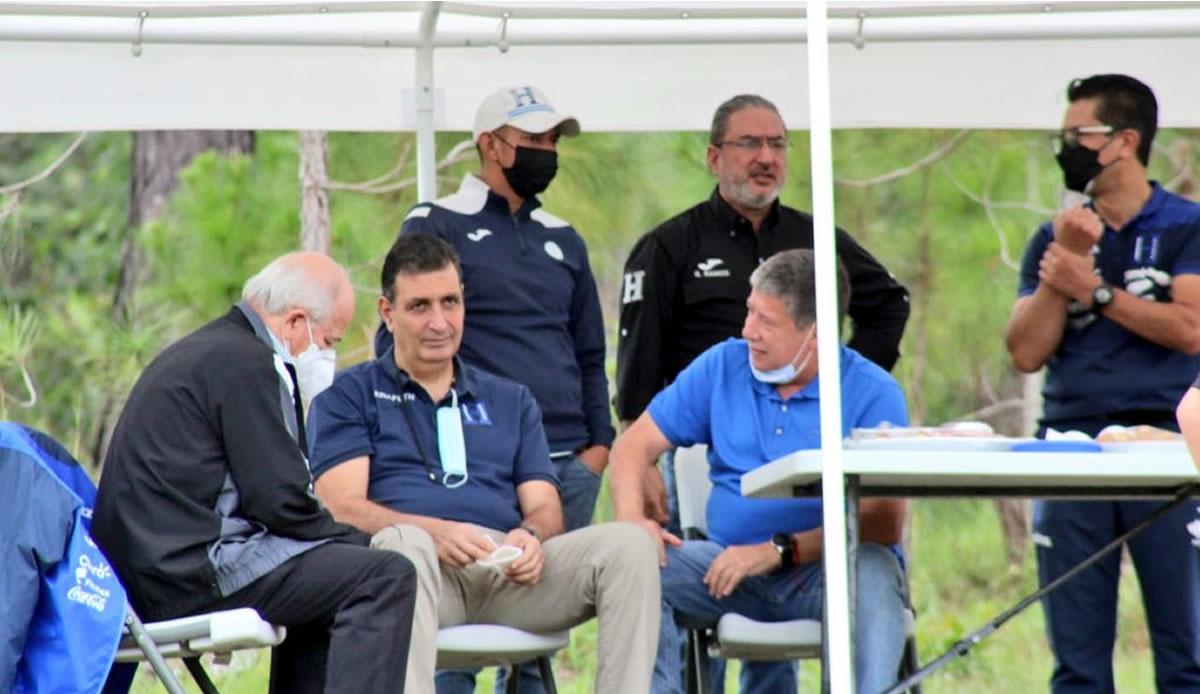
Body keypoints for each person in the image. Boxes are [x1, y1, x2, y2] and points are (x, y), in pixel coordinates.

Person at [310, 235, 660, 694]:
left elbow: (544, 507)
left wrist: (530, 537)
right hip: (415, 576)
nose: (439, 322)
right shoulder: (349, 395)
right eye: (419, 306)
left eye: (450, 302)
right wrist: (436, 534)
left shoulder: (509, 398)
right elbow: (342, 508)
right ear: (387, 313)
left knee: (630, 545)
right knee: (403, 547)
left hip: (505, 573)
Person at [92, 252, 418, 694]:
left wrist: (338, 545)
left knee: (336, 578)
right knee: (384, 576)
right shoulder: (247, 362)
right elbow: (279, 500)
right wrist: (353, 538)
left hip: (150, 569)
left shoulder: (215, 350)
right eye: (329, 341)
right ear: (295, 322)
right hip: (187, 571)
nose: (328, 356)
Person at [610, 249, 910, 694]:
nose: (748, 330)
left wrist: (781, 550)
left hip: (827, 572)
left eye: (766, 321)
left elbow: (884, 521)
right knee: (632, 570)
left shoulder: (873, 393)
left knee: (874, 570)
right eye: (749, 311)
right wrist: (633, 524)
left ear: (816, 333)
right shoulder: (723, 365)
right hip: (725, 566)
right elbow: (631, 448)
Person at [615, 93, 910, 536]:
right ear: (714, 158)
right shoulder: (670, 246)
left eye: (777, 144)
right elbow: (639, 355)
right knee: (678, 565)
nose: (766, 158)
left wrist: (832, 379)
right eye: (750, 143)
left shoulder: (817, 238)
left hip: (808, 435)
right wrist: (646, 462)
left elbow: (890, 306)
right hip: (700, 443)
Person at [1006, 74, 1200, 693]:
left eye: (1077, 135)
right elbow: (1025, 351)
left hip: (1169, 450)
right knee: (1078, 659)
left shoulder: (1185, 227)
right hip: (1070, 448)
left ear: (1123, 142)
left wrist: (1094, 290)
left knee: (1186, 650)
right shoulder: (1055, 235)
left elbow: (1190, 327)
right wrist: (1062, 267)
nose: (1066, 148)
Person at [375, 84, 612, 536]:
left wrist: (599, 447)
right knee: (487, 596)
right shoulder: (437, 221)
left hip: (572, 459)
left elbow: (590, 353)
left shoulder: (564, 237)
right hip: (486, 454)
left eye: (552, 142)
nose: (546, 152)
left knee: (560, 601)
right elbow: (397, 336)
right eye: (533, 140)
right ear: (490, 145)